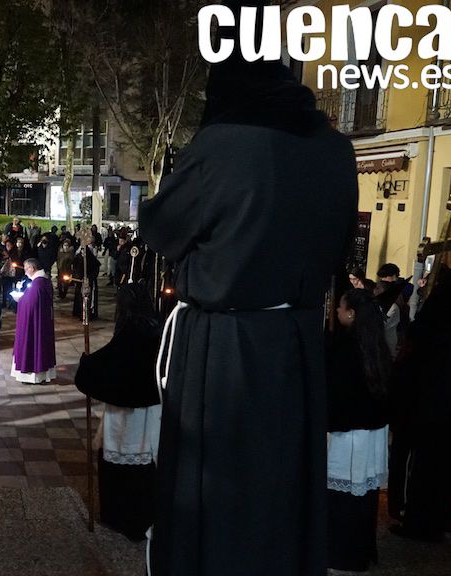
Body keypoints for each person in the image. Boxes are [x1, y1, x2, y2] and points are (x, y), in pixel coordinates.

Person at [139, 20, 358, 574]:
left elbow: (161, 229)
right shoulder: (337, 150)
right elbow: (336, 250)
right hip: (296, 346)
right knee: (280, 493)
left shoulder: (223, 144)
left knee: (215, 492)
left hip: (224, 346)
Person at [387, 243, 451, 543]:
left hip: (434, 400)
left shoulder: (447, 311)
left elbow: (421, 337)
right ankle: (438, 518)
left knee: (429, 465)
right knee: (445, 463)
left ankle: (421, 521)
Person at [74, 282, 162, 541]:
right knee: (147, 462)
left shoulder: (131, 333)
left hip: (127, 416)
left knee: (123, 462)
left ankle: (122, 517)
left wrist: (86, 364)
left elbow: (111, 366)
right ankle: (146, 517)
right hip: (153, 413)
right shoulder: (159, 328)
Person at [326, 288, 391, 572]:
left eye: (340, 307)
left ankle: (342, 555)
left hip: (347, 435)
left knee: (342, 500)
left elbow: (337, 395)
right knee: (363, 498)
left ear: (351, 313)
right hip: (372, 435)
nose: (337, 312)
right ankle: (361, 550)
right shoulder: (377, 344)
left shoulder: (344, 347)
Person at [10, 259, 55, 384]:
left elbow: (30, 305)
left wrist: (19, 300)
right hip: (42, 322)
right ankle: (41, 375)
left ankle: (31, 375)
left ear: (32, 268)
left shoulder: (37, 285)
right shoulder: (43, 281)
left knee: (31, 344)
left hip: (33, 325)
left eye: (26, 269)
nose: (25, 272)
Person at [71, 244, 100, 320]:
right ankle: (80, 313)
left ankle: (89, 314)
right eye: (82, 250)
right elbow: (75, 268)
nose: (83, 252)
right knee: (79, 298)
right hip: (80, 282)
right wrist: (77, 277)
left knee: (88, 299)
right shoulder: (78, 258)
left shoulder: (91, 259)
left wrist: (89, 278)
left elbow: (95, 269)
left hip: (89, 283)